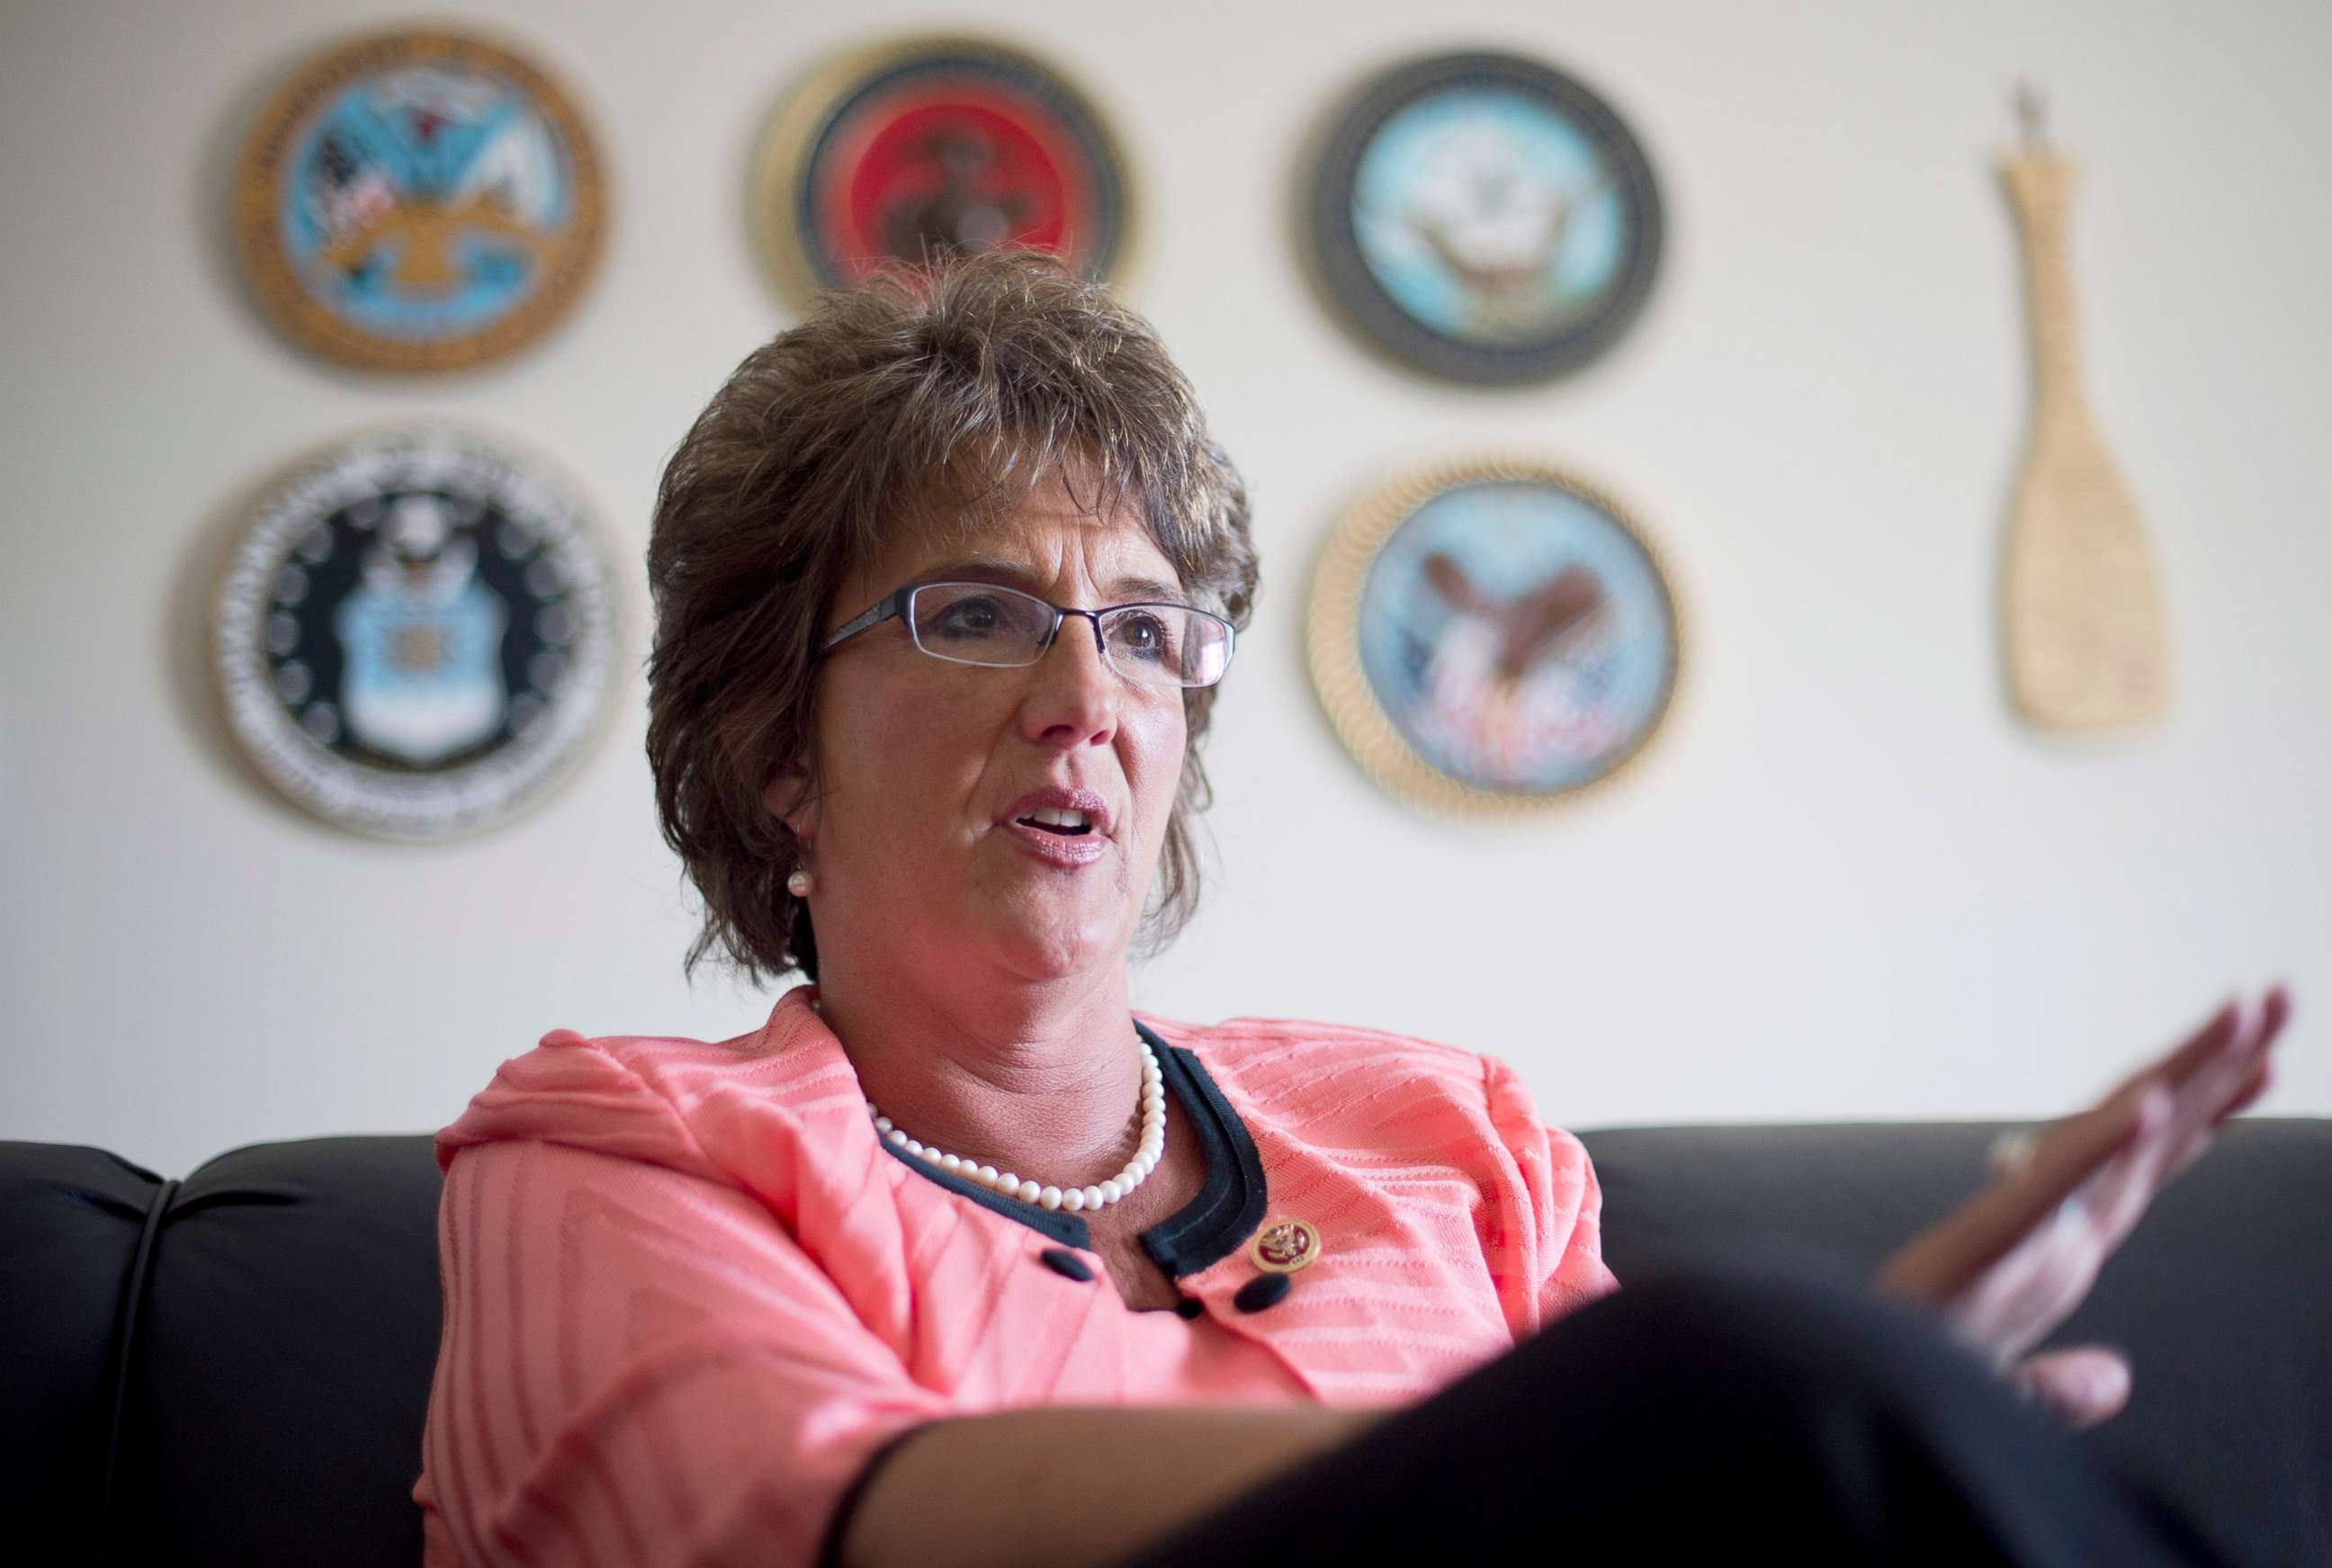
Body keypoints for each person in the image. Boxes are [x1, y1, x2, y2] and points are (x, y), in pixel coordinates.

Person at [410, 248, 2292, 1568]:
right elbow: (847, 1518)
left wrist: (1823, 1419)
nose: (1085, 699)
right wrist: (1681, 1424)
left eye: (1146, 631)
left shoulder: (1442, 1130)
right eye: (972, 613)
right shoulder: (616, 1151)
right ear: (775, 754)